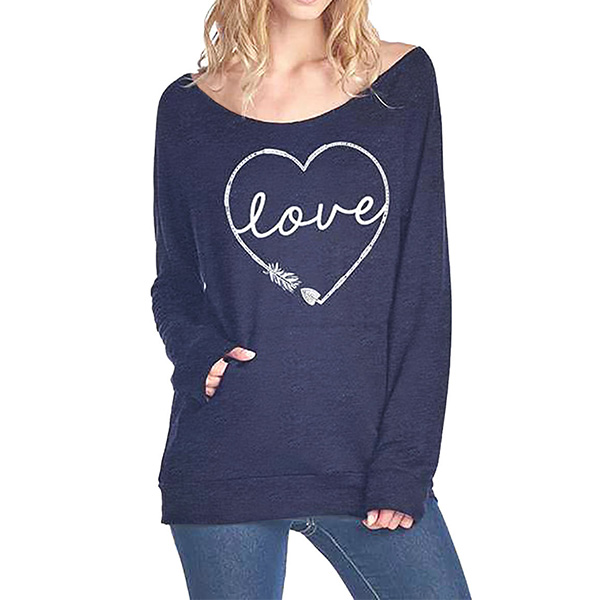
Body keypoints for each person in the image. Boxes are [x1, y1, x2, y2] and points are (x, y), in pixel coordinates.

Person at [150, 0, 471, 597]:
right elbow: (175, 282)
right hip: (226, 459)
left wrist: (405, 463)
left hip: (366, 463)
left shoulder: (398, 85)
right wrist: (199, 353)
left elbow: (424, 287)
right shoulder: (187, 107)